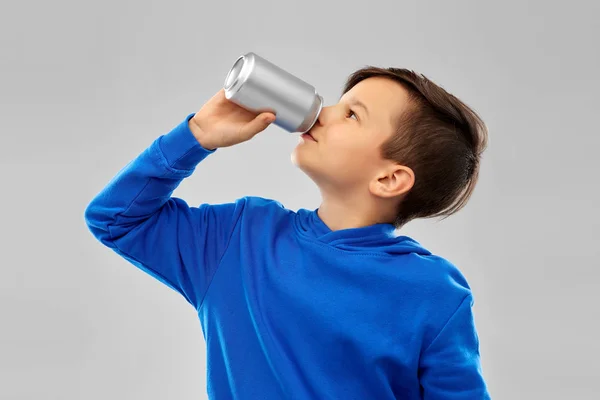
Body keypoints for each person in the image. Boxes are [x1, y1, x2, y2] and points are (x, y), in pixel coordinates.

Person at [84, 66, 491, 399]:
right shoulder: (239, 238)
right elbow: (114, 218)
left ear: (389, 179)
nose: (322, 113)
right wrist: (195, 137)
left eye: (351, 114)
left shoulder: (433, 291)